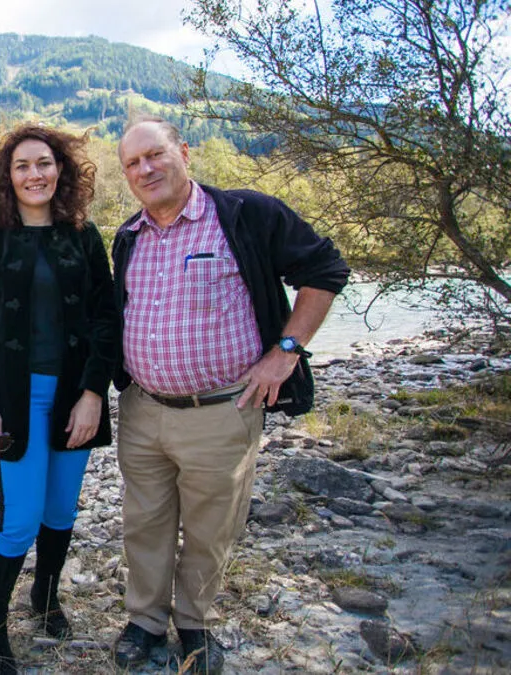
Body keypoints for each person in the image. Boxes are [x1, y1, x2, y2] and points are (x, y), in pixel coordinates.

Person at [110, 115, 350, 674]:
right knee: (144, 523)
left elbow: (325, 269)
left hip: (222, 408)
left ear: (184, 152)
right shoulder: (128, 236)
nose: (146, 169)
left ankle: (195, 623)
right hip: (143, 409)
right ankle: (145, 621)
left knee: (211, 525)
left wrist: (286, 350)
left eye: (155, 154)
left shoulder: (245, 215)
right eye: (133, 163)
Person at [0, 124, 117, 675]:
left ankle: (46, 601)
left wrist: (94, 392)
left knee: (61, 510)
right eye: (22, 165)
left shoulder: (84, 236)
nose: (34, 174)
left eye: (43, 163)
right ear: (8, 175)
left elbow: (106, 319)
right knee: (20, 520)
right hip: (13, 401)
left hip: (74, 397)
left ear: (60, 169)